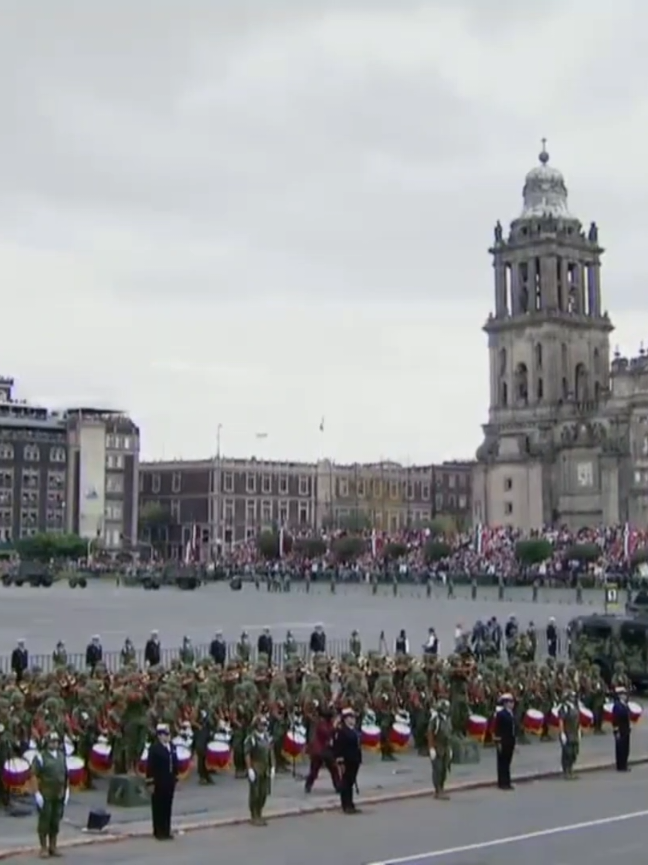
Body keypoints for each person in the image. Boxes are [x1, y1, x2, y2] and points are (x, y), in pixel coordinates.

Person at [31, 730, 69, 858]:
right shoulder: (40, 757)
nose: (54, 744)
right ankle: (43, 848)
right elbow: (33, 776)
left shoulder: (62, 756)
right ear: (46, 743)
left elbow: (66, 774)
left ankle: (53, 846)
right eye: (52, 741)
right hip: (46, 794)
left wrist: (67, 790)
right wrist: (37, 793)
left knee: (55, 820)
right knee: (45, 821)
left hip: (59, 794)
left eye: (56, 741)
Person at [145, 723, 178, 841]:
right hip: (158, 781)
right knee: (158, 807)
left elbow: (175, 763)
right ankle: (158, 831)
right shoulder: (154, 749)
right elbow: (150, 766)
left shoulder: (172, 747)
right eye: (165, 734)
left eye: (168, 734)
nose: (168, 736)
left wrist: (175, 777)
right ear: (159, 736)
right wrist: (150, 782)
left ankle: (166, 830)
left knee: (167, 807)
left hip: (169, 781)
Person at [244, 714, 275, 826]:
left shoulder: (267, 737)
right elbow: (247, 754)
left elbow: (270, 753)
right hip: (256, 768)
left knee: (263, 793)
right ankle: (254, 815)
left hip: (265, 769)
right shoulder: (251, 738)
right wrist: (249, 769)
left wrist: (272, 766)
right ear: (256, 725)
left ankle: (260, 813)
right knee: (255, 794)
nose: (264, 727)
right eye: (261, 724)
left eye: (265, 724)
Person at [333, 707, 362, 814]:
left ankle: (350, 803)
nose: (353, 719)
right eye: (351, 717)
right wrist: (340, 760)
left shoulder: (353, 729)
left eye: (353, 717)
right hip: (346, 760)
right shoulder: (342, 731)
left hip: (354, 759)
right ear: (345, 719)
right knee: (346, 782)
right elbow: (338, 746)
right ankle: (346, 804)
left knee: (350, 782)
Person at [304, 707, 339, 794]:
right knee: (315, 770)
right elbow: (326, 733)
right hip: (319, 751)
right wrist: (334, 727)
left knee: (333, 769)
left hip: (325, 750)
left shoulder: (328, 723)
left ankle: (338, 786)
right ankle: (308, 785)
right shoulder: (321, 724)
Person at [428, 698, 452, 800]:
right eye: (445, 708)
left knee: (444, 770)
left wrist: (450, 748)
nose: (447, 709)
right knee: (438, 769)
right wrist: (431, 748)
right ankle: (438, 790)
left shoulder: (447, 719)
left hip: (446, 747)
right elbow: (430, 734)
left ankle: (442, 788)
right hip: (437, 747)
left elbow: (449, 734)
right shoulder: (435, 719)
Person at [492, 693, 516, 790]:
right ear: (505, 703)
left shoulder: (511, 713)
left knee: (507, 762)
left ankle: (507, 782)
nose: (512, 704)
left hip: (510, 741)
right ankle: (502, 783)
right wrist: (498, 741)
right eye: (510, 702)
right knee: (502, 763)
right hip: (503, 741)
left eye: (512, 702)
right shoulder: (501, 714)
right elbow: (497, 729)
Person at [557, 690, 580, 779]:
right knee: (567, 753)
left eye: (573, 697)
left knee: (574, 752)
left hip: (574, 732)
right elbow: (561, 721)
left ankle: (571, 769)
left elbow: (578, 719)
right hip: (567, 732)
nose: (573, 698)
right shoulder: (564, 707)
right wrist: (562, 733)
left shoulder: (575, 706)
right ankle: (566, 771)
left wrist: (579, 730)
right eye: (571, 697)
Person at [612, 687, 631, 771]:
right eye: (623, 694)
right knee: (620, 748)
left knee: (625, 748)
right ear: (620, 696)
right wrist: (616, 730)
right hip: (620, 729)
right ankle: (621, 765)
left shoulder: (625, 704)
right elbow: (615, 719)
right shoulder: (617, 705)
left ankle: (624, 764)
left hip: (626, 729)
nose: (625, 696)